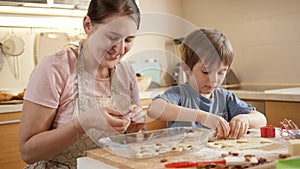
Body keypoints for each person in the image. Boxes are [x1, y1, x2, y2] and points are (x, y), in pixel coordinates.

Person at [19, 0, 145, 168]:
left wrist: (134, 130)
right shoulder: (54, 69)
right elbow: (28, 152)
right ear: (87, 25)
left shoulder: (126, 72)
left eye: (128, 40)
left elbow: (135, 143)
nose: (120, 49)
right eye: (112, 37)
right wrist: (83, 123)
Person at [147, 28, 267, 139]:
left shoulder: (225, 98)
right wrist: (203, 117)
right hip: (183, 157)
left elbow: (261, 119)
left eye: (221, 72)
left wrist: (244, 118)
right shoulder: (180, 94)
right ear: (187, 68)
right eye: (206, 72)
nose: (214, 79)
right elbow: (154, 109)